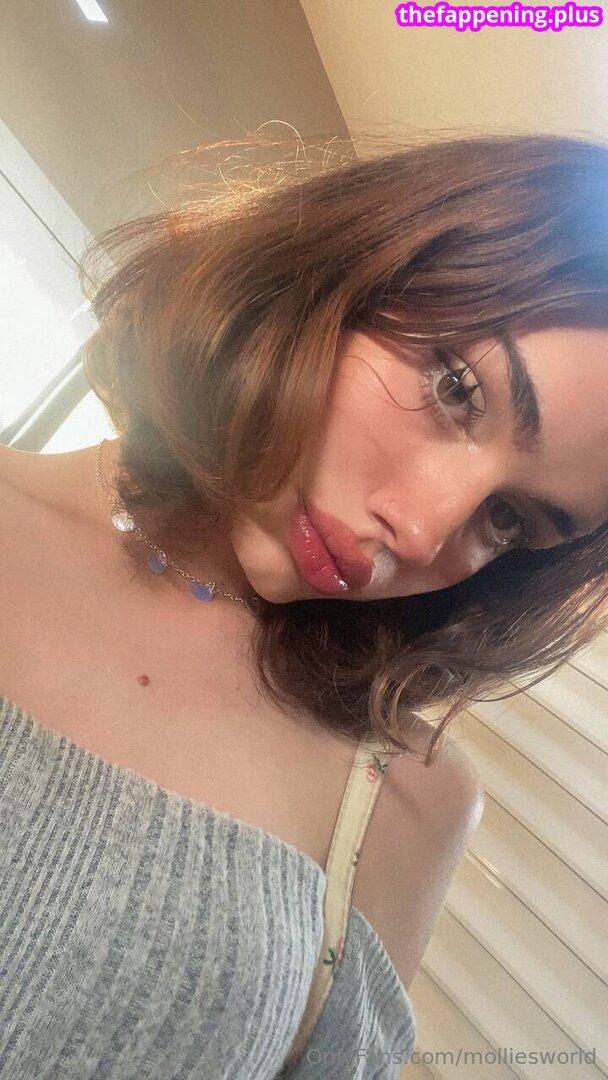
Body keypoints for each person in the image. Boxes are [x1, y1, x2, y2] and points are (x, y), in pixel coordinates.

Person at [1, 130, 607, 1078]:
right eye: (456, 388)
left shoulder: (408, 803)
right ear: (338, 270)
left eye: (509, 519)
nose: (423, 530)